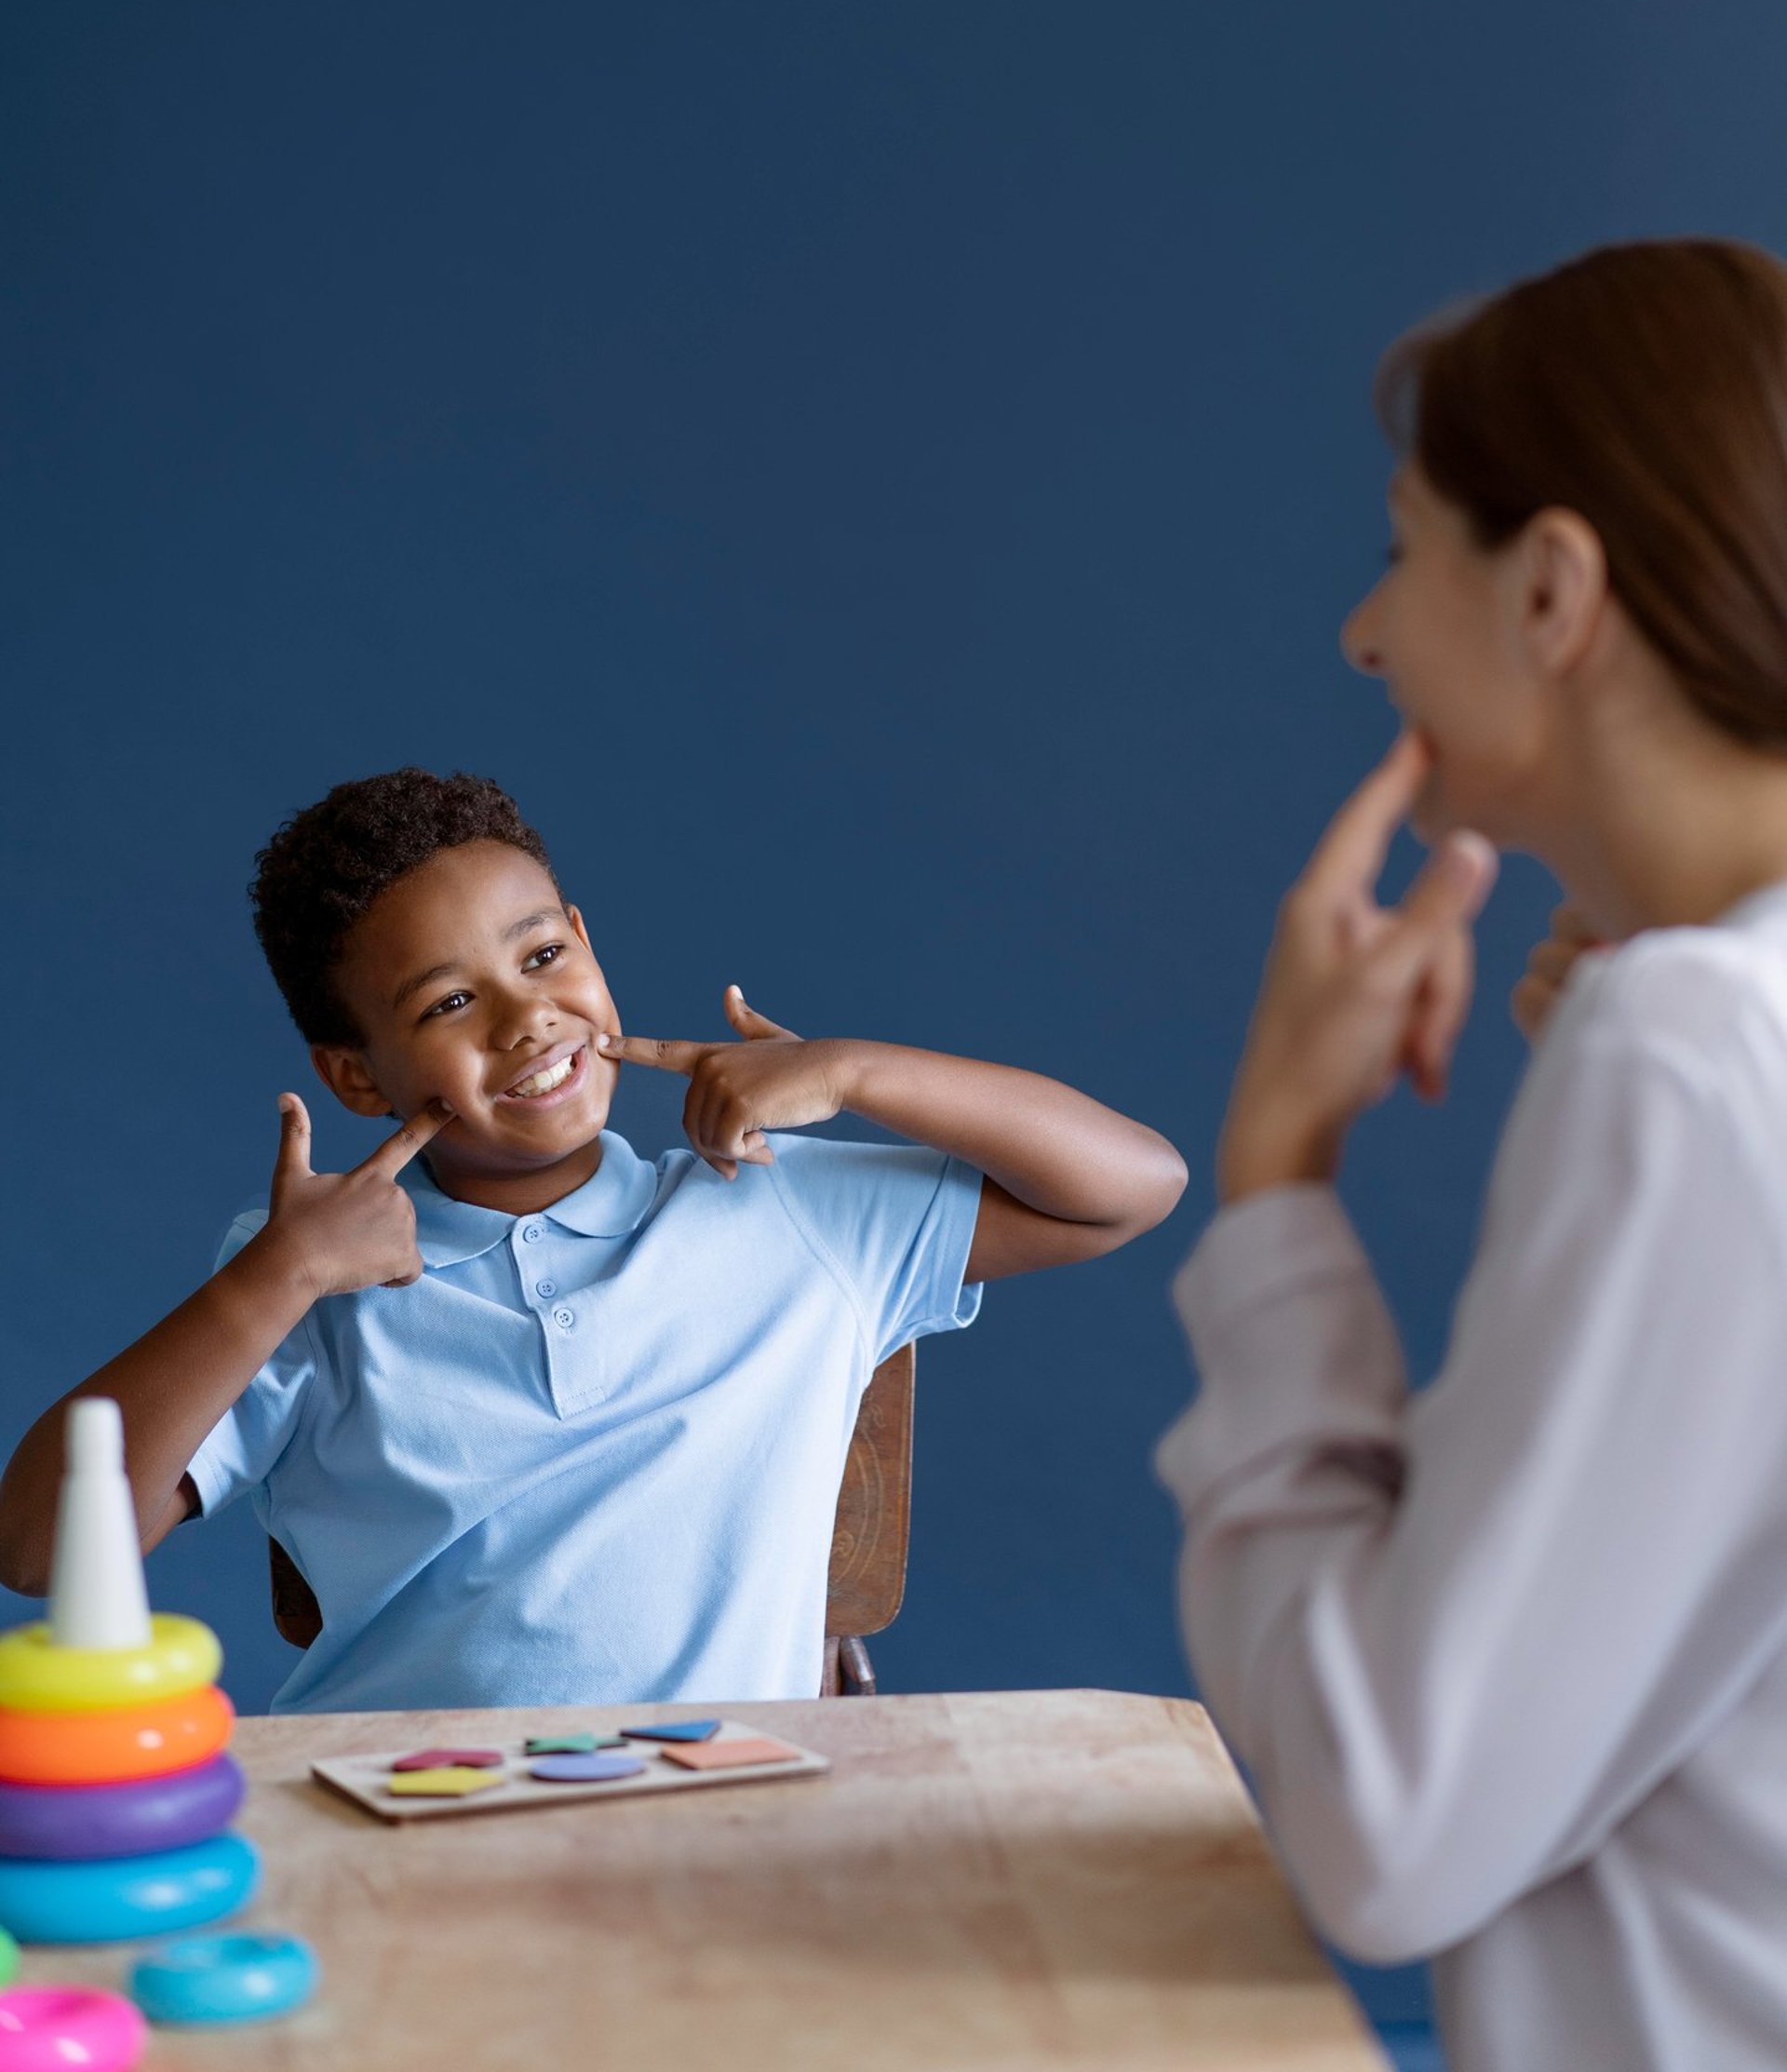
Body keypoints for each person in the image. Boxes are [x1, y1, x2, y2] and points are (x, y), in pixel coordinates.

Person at [1157, 237, 1787, 2072]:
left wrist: (1276, 1172)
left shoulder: (1694, 1050)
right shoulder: (1693, 1034)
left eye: (1406, 547)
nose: (1368, 635)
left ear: (1551, 593)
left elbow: (1386, 1826)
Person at [0, 770, 1185, 1711]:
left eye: (542, 956)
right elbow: (38, 1547)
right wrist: (283, 1274)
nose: (528, 1018)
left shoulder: (783, 1208)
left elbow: (1132, 1185)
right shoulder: (304, 1277)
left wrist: (856, 1069)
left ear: (583, 937)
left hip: (720, 1835)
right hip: (399, 1829)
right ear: (354, 1075)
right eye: (448, 1004)